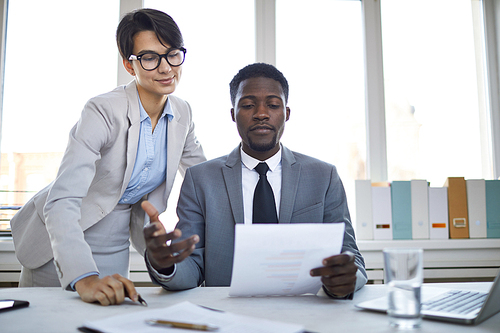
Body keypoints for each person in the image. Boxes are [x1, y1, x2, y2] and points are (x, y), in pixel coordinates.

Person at [9, 8, 206, 305]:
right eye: (151, 58)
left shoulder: (183, 113)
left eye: (173, 54)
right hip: (61, 241)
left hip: (117, 242)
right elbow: (61, 200)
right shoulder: (102, 110)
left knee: (109, 318)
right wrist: (83, 277)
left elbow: (203, 179)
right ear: (130, 65)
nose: (166, 68)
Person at [141, 63, 367, 299]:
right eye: (248, 105)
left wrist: (347, 278)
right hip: (228, 317)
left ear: (286, 114)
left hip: (303, 312)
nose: (261, 113)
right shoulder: (200, 179)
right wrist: (165, 264)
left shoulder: (324, 176)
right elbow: (191, 267)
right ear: (233, 114)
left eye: (273, 104)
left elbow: (351, 257)